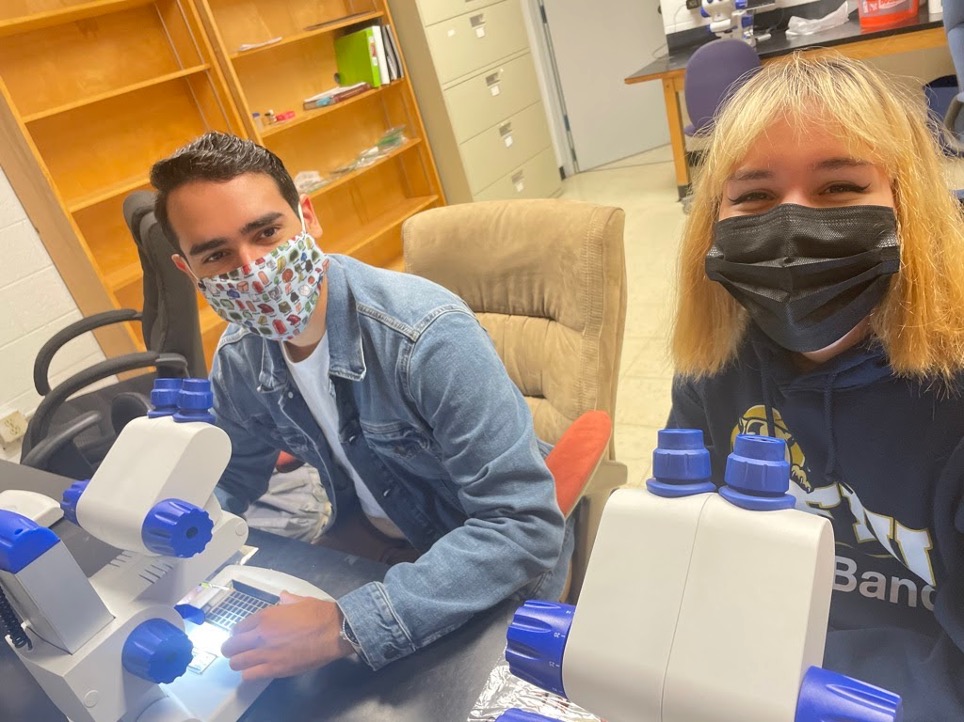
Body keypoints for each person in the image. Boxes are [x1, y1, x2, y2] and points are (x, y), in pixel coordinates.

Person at [149, 132, 571, 679]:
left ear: (307, 216)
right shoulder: (239, 359)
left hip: (488, 561)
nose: (252, 269)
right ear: (189, 270)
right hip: (376, 540)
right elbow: (232, 479)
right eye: (217, 254)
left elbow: (523, 525)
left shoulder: (427, 337)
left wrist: (345, 626)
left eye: (267, 233)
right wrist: (164, 526)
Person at [668, 53, 964, 719]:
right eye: (754, 196)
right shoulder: (712, 370)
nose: (793, 224)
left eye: (838, 189)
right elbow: (692, 568)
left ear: (907, 205)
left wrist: (795, 689)